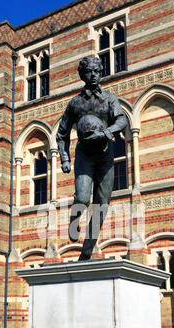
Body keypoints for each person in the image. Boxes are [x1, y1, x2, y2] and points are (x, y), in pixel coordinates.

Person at [56, 56, 127, 260]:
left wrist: (107, 132)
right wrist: (65, 159)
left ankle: (86, 253)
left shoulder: (109, 99)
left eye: (97, 71)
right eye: (89, 71)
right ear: (82, 74)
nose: (94, 75)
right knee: (82, 198)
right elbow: (62, 134)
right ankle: (73, 220)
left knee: (101, 206)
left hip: (105, 155)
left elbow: (121, 119)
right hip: (85, 155)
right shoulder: (76, 103)